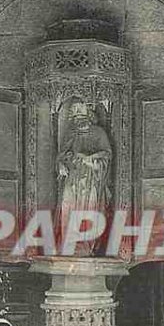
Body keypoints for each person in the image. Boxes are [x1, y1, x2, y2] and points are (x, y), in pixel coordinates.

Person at [56, 101, 112, 254]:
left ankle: (87, 245)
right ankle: (69, 242)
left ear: (89, 113)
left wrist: (94, 161)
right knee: (68, 204)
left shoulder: (99, 133)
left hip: (92, 178)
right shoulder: (71, 134)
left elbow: (107, 155)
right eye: (74, 113)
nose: (78, 118)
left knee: (91, 207)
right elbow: (62, 155)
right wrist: (63, 163)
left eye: (80, 111)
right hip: (73, 177)